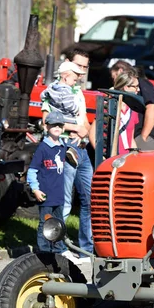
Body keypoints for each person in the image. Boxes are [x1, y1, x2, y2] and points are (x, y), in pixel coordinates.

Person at [41, 53, 94, 257]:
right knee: (63, 200)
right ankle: (58, 247)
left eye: (84, 68)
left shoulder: (78, 92)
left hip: (81, 148)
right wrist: (76, 127)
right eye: (78, 67)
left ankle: (85, 249)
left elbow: (85, 122)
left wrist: (86, 132)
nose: (81, 73)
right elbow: (47, 121)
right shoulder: (54, 92)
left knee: (89, 199)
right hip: (63, 147)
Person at [26, 111, 80, 264]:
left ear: (63, 128)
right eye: (53, 124)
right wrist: (35, 189)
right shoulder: (43, 148)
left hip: (58, 194)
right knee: (45, 223)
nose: (56, 127)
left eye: (60, 125)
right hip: (46, 194)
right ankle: (43, 252)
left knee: (58, 223)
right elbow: (32, 170)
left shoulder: (63, 146)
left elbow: (74, 150)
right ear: (46, 126)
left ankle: (59, 249)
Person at [110, 60, 154, 150]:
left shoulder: (141, 83)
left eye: (114, 77)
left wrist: (143, 137)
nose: (114, 80)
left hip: (144, 137)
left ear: (120, 71)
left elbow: (153, 107)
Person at [112, 72, 140, 154]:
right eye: (135, 86)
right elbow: (93, 133)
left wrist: (136, 155)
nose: (138, 89)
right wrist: (102, 156)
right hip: (112, 155)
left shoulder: (133, 109)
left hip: (127, 156)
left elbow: (131, 138)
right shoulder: (110, 106)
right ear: (126, 87)